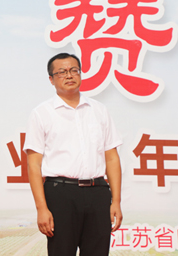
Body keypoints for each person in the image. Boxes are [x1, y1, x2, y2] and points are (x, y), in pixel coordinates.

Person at [24, 52, 123, 256]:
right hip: (61, 194)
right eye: (61, 72)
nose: (69, 75)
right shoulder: (41, 113)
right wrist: (41, 208)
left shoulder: (99, 110)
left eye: (73, 70)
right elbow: (34, 165)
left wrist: (116, 201)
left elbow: (112, 158)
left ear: (80, 73)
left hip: (98, 192)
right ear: (51, 79)